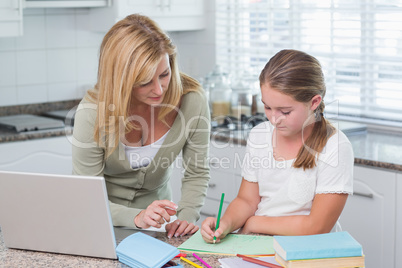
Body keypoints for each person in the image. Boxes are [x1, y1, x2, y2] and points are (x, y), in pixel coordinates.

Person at [72, 14, 210, 238]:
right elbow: (85, 196)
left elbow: (197, 172)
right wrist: (136, 217)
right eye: (145, 82)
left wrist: (185, 218)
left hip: (159, 229)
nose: (159, 90)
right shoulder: (92, 113)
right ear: (121, 81)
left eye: (164, 74)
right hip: (100, 223)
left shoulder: (192, 101)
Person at [201, 49, 354, 243]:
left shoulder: (335, 147)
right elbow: (247, 200)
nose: (274, 119)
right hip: (258, 242)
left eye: (285, 111)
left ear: (314, 102)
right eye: (267, 107)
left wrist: (255, 223)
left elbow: (316, 226)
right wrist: (226, 223)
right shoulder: (260, 135)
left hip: (305, 250)